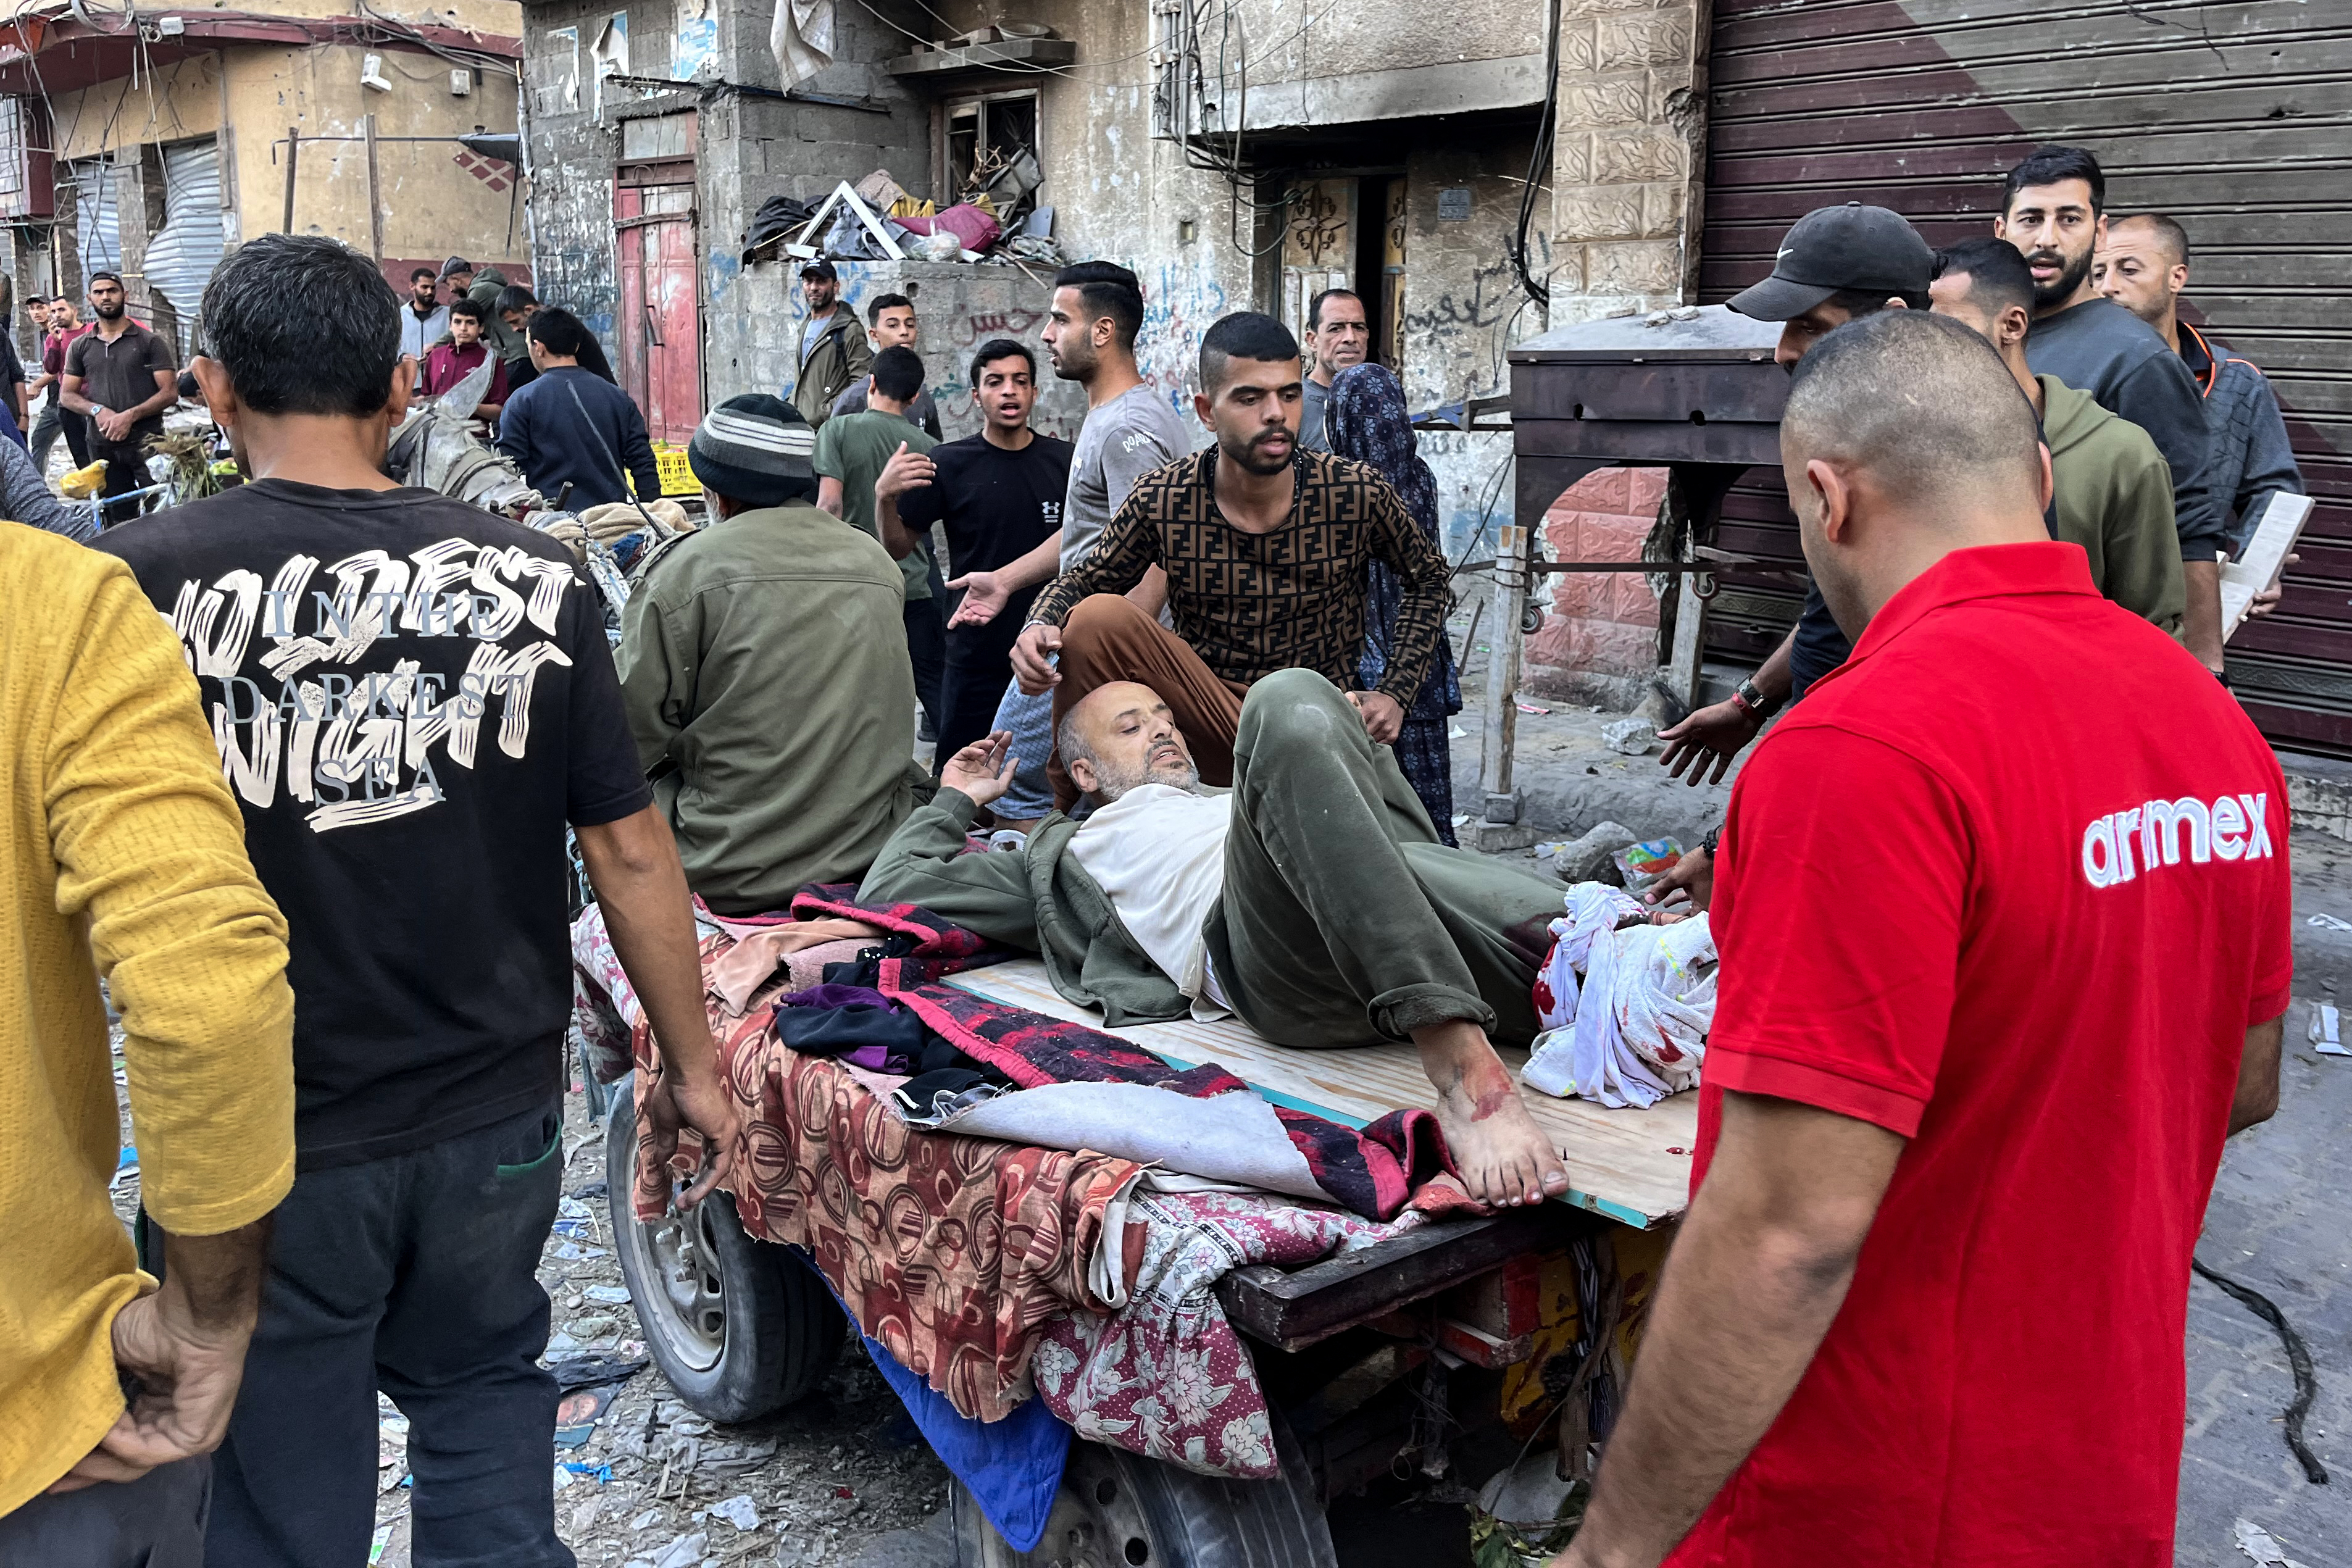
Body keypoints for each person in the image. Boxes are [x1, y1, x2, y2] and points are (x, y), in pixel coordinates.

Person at [1550, 306, 2288, 1568]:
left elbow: (1789, 1227)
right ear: (2042, 477)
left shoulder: (1858, 750)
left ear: (1827, 499)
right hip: (2102, 1477)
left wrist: (1609, 1549)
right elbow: (2244, 1082)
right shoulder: (2209, 725)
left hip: (1873, 1495)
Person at [94, 232, 740, 1568]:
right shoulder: (535, 574)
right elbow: (628, 849)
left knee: (276, 1471)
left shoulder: (138, 589)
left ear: (212, 388)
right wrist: (694, 1065)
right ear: (401, 389)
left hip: (266, 1133)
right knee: (486, 1396)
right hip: (494, 1116)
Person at [866, 673, 1576, 1209]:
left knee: (1604, 961)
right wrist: (956, 795)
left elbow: (1410, 857)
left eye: (1167, 719)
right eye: (1132, 726)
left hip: (1395, 940)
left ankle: (1627, 951)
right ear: (1085, 774)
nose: (1164, 732)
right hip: (1269, 953)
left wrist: (1347, 744)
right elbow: (893, 884)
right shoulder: (1066, 850)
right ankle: (1461, 1070)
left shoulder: (1237, 794)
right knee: (1285, 697)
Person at [0, 522, 297, 1563]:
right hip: (39, 1432)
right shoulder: (49, 605)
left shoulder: (150, 558)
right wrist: (208, 1316)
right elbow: (204, 994)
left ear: (217, 389)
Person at [1012, 311, 1453, 813]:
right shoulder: (1166, 498)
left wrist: (1395, 693)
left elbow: (1430, 581)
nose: (1276, 414)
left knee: (1292, 694)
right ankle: (1072, 811)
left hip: (1313, 720)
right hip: (1208, 715)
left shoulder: (1353, 491)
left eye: (1289, 394)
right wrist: (1039, 623)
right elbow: (1087, 580)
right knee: (1095, 618)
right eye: (1250, 398)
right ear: (1207, 411)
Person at [617, 395, 930, 912]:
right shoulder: (875, 561)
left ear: (714, 493)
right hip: (870, 851)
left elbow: (627, 736)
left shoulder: (683, 572)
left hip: (727, 866)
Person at [953, 261, 1191, 832]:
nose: (1046, 333)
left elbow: (1157, 555)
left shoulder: (1128, 429)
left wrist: (1105, 651)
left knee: (1010, 790)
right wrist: (1007, 580)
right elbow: (1099, 531)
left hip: (1082, 648)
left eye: (1060, 319)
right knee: (1060, 797)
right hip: (1080, 638)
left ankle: (1036, 909)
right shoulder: (1112, 416)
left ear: (1102, 332)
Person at [1995, 145, 2227, 673]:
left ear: (2099, 233)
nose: (2048, 238)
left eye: (2069, 219)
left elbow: (2188, 520)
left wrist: (2207, 670)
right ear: (2002, 230)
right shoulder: (1991, 335)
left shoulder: (2136, 358)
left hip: (2086, 653)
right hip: (1993, 641)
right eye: (2031, 218)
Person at [1930, 238, 2185, 633]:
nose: (1926, 349)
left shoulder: (2120, 456)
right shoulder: (1912, 452)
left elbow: (2153, 628)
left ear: (2012, 326)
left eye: (1949, 328)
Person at [876, 338, 1075, 762]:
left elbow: (1083, 546)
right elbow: (897, 545)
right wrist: (884, 498)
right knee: (962, 768)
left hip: (1050, 647)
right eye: (995, 382)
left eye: (1020, 381)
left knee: (1046, 772)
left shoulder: (1065, 462)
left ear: (1035, 393)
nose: (1009, 391)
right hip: (975, 646)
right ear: (976, 396)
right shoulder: (949, 463)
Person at [2097, 211, 2304, 555]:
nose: (2108, 287)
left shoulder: (2237, 379)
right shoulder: (2075, 374)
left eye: (2129, 270)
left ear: (2177, 277)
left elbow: (2273, 490)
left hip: (2197, 578)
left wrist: (2254, 566)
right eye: (2098, 273)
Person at [1325, 361, 1463, 841]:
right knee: (1428, 808)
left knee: (1372, 809)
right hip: (1420, 662)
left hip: (1363, 671)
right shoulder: (1418, 476)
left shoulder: (1339, 486)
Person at [815, 344, 945, 739]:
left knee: (859, 689)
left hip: (856, 585)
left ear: (871, 383)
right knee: (934, 686)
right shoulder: (930, 450)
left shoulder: (837, 430)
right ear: (916, 396)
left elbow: (829, 506)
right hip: (915, 586)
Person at [497, 307, 659, 509]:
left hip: (553, 524)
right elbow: (643, 463)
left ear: (539, 348)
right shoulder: (618, 397)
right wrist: (653, 513)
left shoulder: (521, 401)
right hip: (612, 519)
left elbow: (507, 470)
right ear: (576, 346)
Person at [61, 271, 177, 524]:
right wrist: (97, 411)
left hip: (148, 442)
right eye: (99, 292)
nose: (106, 297)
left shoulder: (150, 342)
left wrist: (130, 415)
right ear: (89, 299)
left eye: (112, 291)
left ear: (125, 295)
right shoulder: (81, 346)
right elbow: (67, 396)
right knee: (118, 516)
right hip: (103, 446)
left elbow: (169, 392)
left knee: (163, 508)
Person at [828, 292, 943, 437]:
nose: (904, 332)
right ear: (874, 335)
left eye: (910, 325)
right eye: (893, 325)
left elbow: (934, 448)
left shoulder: (922, 394)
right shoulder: (855, 398)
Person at [788, 259, 871, 428]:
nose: (813, 288)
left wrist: (826, 412)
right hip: (801, 428)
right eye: (808, 281)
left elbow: (862, 383)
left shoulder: (849, 329)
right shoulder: (806, 325)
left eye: (821, 281)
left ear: (836, 287)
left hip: (829, 429)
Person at [1298, 287, 1370, 451]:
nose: (1350, 338)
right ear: (1312, 340)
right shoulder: (1293, 402)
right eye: (1336, 328)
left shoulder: (1380, 402)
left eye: (1358, 327)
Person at [28, 294, 93, 475]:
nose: (57, 315)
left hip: (89, 400)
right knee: (76, 453)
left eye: (62, 310)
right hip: (62, 403)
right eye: (54, 311)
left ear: (74, 311)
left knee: (95, 449)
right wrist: (56, 342)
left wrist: (38, 384)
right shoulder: (51, 337)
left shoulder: (90, 332)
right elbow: (51, 367)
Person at [418, 298, 508, 419]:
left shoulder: (491, 361)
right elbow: (426, 398)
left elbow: (500, 410)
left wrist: (470, 406)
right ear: (450, 326)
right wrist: (408, 401)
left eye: (470, 323)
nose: (463, 328)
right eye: (458, 322)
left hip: (473, 435)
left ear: (481, 328)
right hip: (435, 432)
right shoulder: (435, 356)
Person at [398, 267, 449, 383]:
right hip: (409, 384)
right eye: (424, 287)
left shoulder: (448, 315)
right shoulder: (399, 315)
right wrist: (401, 357)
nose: (430, 292)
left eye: (433, 288)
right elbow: (391, 347)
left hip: (439, 384)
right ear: (412, 286)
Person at [495, 284, 543, 392]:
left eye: (515, 322)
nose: (514, 329)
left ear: (529, 310)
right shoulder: (538, 325)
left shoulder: (548, 327)